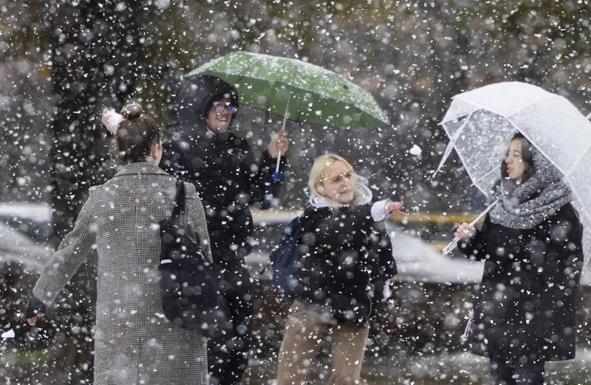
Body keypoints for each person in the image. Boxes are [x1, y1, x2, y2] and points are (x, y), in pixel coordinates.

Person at [24, 103, 212, 385]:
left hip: (120, 321)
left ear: (119, 154)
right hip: (177, 318)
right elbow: (204, 254)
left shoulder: (101, 197)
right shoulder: (183, 193)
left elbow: (70, 251)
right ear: (156, 149)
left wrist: (40, 297)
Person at [160, 76, 289, 385]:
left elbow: (264, 197)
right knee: (196, 344)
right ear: (200, 107)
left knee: (235, 344)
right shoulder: (174, 147)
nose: (226, 112)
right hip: (190, 261)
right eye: (218, 105)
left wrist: (274, 159)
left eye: (231, 106)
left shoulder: (238, 147)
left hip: (232, 260)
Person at [454, 133, 583, 385]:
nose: (507, 160)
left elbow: (569, 266)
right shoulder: (501, 201)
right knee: (500, 378)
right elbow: (484, 251)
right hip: (498, 310)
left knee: (527, 378)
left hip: (532, 314)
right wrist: (468, 238)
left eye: (516, 155)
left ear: (535, 162)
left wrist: (540, 300)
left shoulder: (558, 208)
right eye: (508, 153)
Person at [276, 154, 402, 385]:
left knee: (346, 379)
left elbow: (385, 261)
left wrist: (377, 291)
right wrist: (375, 210)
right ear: (320, 188)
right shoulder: (313, 216)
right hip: (311, 303)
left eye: (348, 175)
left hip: (354, 306)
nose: (345, 183)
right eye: (335, 180)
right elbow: (337, 228)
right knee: (290, 378)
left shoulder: (370, 216)